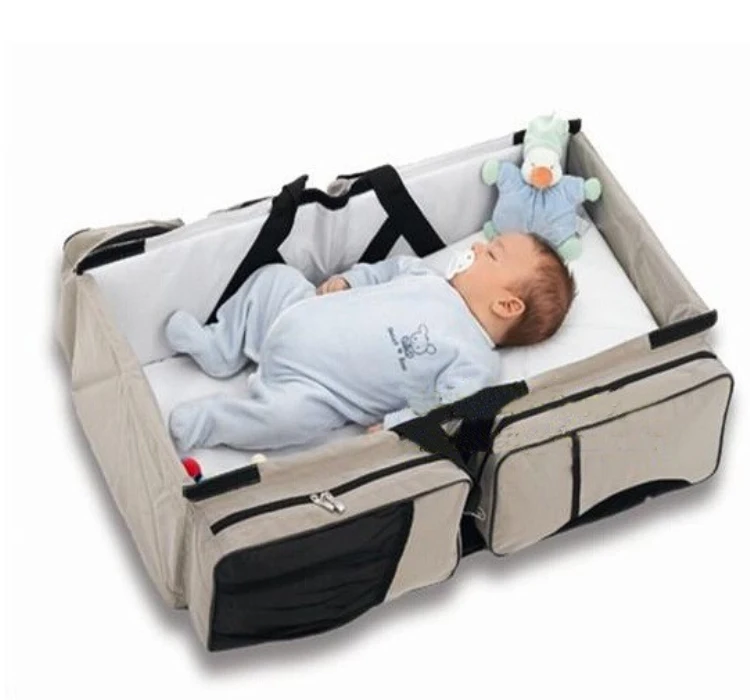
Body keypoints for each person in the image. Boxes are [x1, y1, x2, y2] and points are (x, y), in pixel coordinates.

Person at [165, 232, 575, 453]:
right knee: (275, 278)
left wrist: (399, 424)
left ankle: (210, 422)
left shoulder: (476, 360)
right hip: (299, 311)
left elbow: (448, 409)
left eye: (492, 254)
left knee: (287, 421)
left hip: (320, 390)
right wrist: (349, 281)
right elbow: (382, 272)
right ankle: (222, 345)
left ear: (506, 305)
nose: (477, 246)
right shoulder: (425, 276)